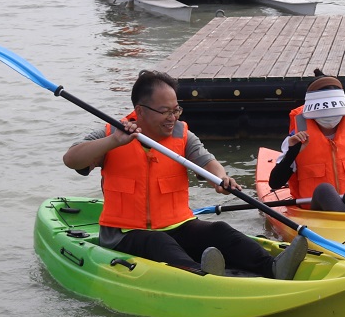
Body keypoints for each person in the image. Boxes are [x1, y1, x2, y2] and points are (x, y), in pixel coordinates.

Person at [63, 69, 307, 279]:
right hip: (125, 234)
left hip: (177, 224)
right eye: (165, 111)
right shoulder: (111, 134)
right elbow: (71, 159)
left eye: (176, 109)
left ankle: (272, 267)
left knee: (219, 230)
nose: (173, 117)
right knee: (158, 242)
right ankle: (201, 276)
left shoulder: (183, 136)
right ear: (140, 110)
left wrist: (221, 178)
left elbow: (208, 162)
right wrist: (115, 141)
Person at [267, 70, 345, 212]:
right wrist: (292, 152)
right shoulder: (295, 138)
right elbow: (275, 183)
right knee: (324, 190)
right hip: (318, 211)